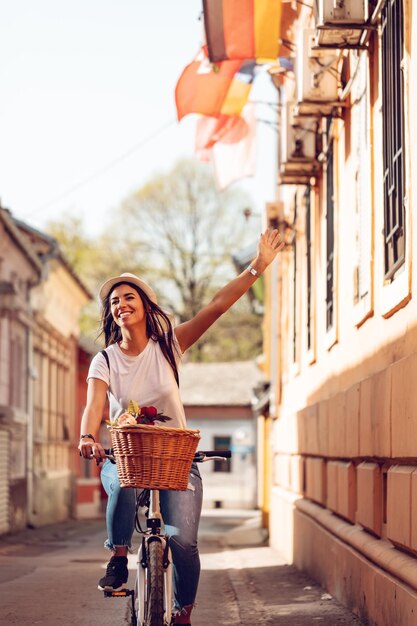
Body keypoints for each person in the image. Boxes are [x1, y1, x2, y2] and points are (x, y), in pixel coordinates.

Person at [78, 227, 284, 625]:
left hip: (176, 458)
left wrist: (258, 266)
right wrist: (88, 435)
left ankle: (183, 611)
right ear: (111, 314)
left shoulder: (169, 345)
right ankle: (119, 559)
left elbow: (216, 306)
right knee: (122, 480)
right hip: (129, 454)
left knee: (183, 540)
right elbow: (94, 404)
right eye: (115, 301)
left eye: (129, 297)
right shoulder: (104, 360)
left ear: (145, 306)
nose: (121, 304)